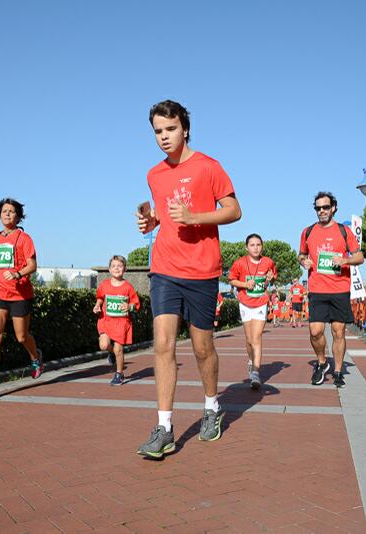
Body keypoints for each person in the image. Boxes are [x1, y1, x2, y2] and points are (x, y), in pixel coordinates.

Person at [136, 100, 241, 459]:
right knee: (163, 344)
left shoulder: (208, 167)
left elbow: (234, 210)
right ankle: (164, 427)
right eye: (158, 132)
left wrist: (196, 216)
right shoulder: (154, 174)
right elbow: (167, 216)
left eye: (170, 129)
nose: (164, 137)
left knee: (201, 348)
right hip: (164, 267)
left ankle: (212, 407)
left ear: (185, 129)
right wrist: (152, 223)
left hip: (202, 270)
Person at [0, 198, 43, 397]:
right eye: (4, 211)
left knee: (22, 336)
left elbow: (32, 265)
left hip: (20, 294)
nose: (7, 214)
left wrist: (18, 274)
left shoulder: (24, 238)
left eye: (11, 211)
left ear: (18, 216)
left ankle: (35, 357)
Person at [299, 191, 364, 388]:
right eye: (318, 208)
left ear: (333, 208)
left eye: (325, 207)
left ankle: (337, 371)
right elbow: (300, 255)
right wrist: (304, 261)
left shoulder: (344, 231)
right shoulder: (308, 231)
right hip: (317, 288)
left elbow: (359, 257)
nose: (322, 211)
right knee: (315, 331)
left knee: (338, 331)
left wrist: (345, 260)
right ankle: (321, 363)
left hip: (339, 289)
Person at [228, 233, 277, 389]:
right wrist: (244, 284)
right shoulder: (240, 263)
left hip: (261, 302)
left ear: (262, 246)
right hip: (245, 303)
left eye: (258, 245)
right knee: (249, 340)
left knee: (256, 338)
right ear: (246, 247)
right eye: (252, 245)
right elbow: (231, 280)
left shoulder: (268, 262)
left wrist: (271, 278)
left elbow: (273, 276)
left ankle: (255, 374)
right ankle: (251, 359)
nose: (256, 248)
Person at [94, 255, 140, 386]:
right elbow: (100, 297)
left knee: (119, 349)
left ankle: (119, 374)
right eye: (114, 266)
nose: (116, 268)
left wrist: (129, 306)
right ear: (109, 269)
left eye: (119, 266)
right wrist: (97, 305)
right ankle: (111, 353)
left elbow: (136, 304)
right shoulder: (104, 285)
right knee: (103, 345)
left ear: (124, 269)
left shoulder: (128, 287)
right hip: (106, 321)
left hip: (121, 323)